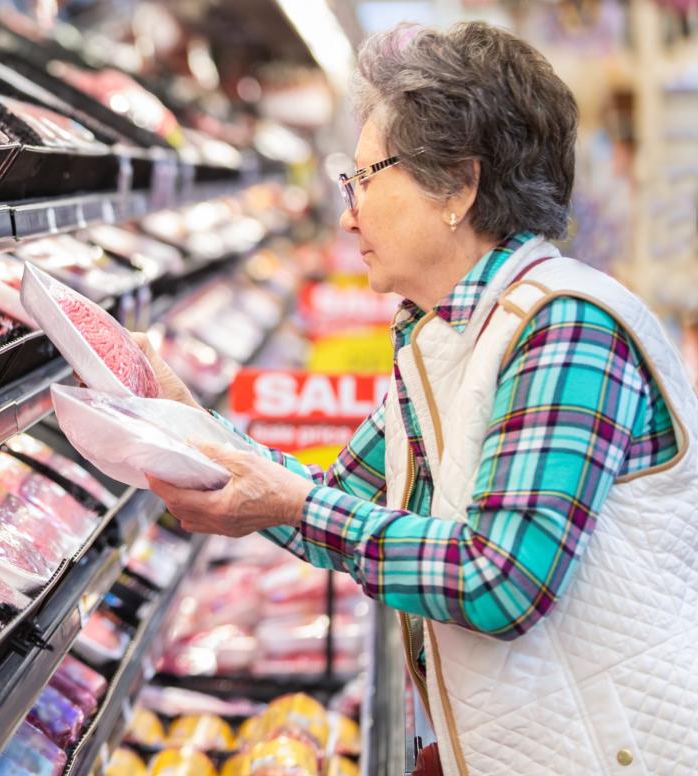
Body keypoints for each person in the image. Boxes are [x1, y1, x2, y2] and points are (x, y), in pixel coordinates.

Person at [137, 21, 698, 776]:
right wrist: (184, 425)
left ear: (458, 187)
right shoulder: (441, 338)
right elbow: (330, 502)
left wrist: (294, 504)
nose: (347, 213)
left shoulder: (564, 326)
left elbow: (500, 580)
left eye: (365, 178)